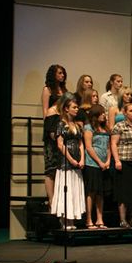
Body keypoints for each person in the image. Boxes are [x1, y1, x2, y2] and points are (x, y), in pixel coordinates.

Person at [51, 95, 86, 229]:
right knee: (67, 189)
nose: (77, 109)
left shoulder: (77, 125)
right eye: (74, 107)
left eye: (77, 107)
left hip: (77, 163)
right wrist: (71, 159)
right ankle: (64, 219)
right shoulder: (61, 124)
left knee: (74, 190)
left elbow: (81, 144)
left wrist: (81, 159)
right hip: (66, 164)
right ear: (66, 109)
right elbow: (60, 145)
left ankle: (72, 220)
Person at [83, 104, 111, 229]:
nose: (104, 115)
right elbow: (88, 147)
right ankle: (89, 219)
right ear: (95, 115)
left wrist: (108, 161)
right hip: (92, 164)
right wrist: (99, 162)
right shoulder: (89, 128)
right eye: (101, 113)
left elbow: (109, 147)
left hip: (104, 165)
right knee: (91, 192)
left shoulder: (106, 128)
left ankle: (100, 219)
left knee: (101, 193)